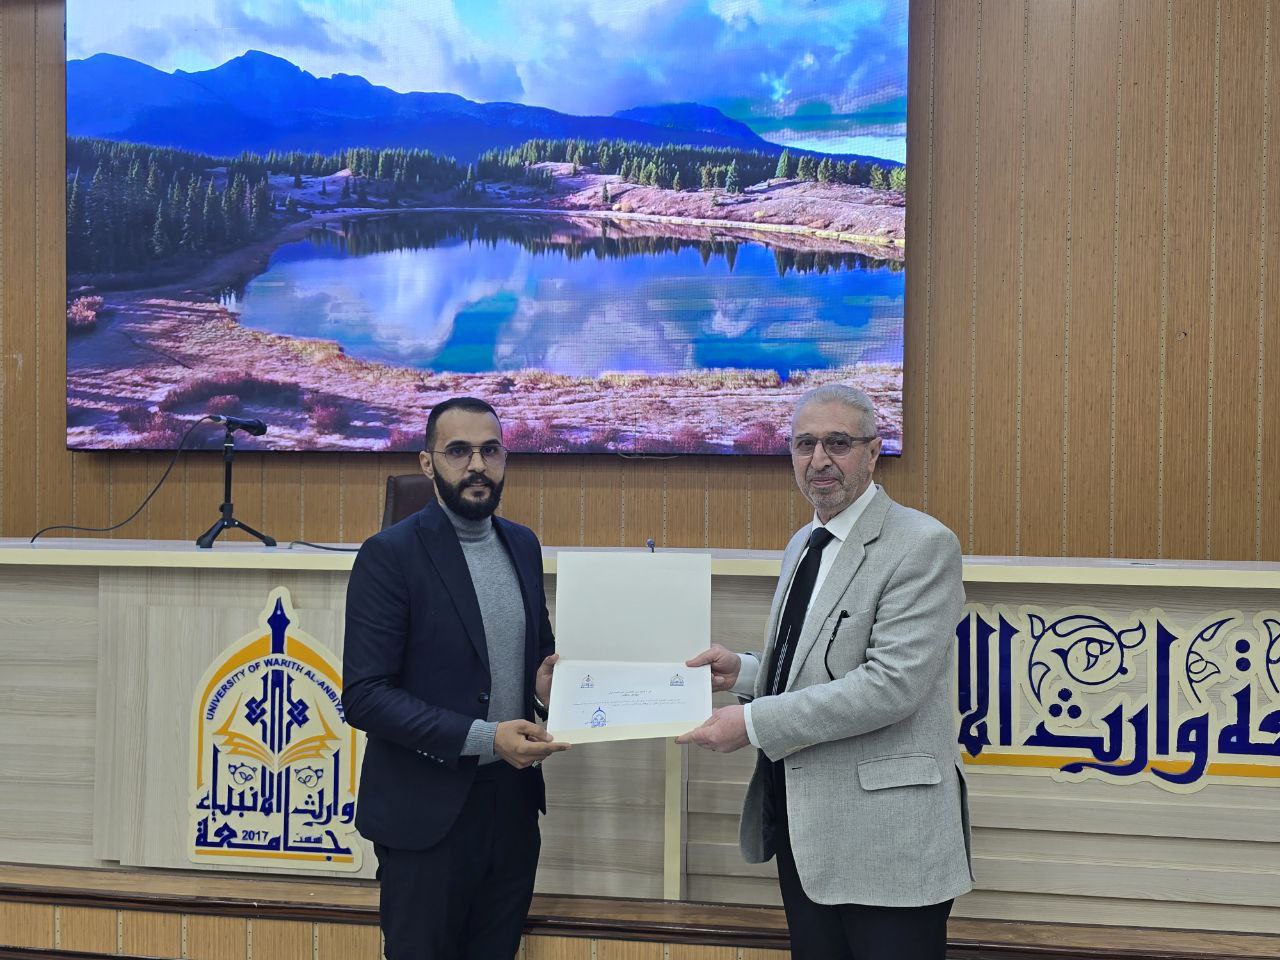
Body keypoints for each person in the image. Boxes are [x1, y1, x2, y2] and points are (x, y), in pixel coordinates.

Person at [677, 384, 971, 960]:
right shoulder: (803, 544)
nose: (819, 460)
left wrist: (752, 723)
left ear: (873, 451)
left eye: (838, 443)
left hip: (889, 842)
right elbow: (813, 665)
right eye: (804, 444)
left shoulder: (923, 544)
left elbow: (891, 686)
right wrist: (744, 672)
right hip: (807, 833)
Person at [342, 396, 569, 960]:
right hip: (426, 814)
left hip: (511, 809)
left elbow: (535, 658)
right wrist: (485, 737)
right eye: (459, 451)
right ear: (427, 463)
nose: (477, 466)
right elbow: (365, 697)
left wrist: (544, 691)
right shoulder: (388, 555)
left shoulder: (523, 544)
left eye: (490, 451)